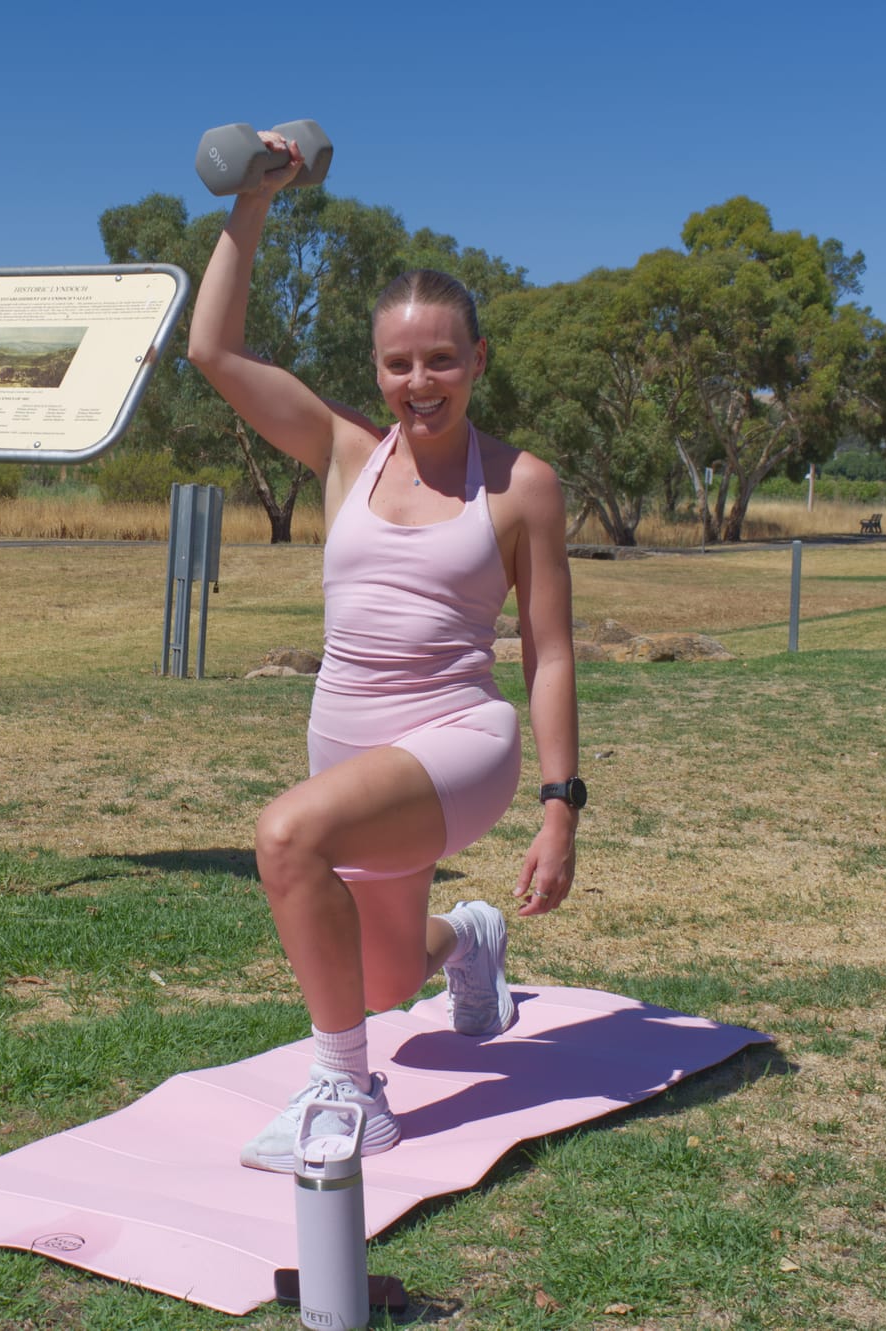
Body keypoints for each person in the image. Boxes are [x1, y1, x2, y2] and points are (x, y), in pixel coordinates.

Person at [186, 133, 583, 1173]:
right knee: (382, 976)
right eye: (398, 362)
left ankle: (344, 1088)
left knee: (284, 838)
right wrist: (253, 202)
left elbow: (545, 652)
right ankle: (467, 941)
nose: (419, 380)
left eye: (441, 358)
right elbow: (213, 355)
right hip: (349, 745)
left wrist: (558, 804)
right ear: (376, 370)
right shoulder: (343, 453)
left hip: (457, 738)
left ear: (478, 361)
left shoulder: (519, 485)